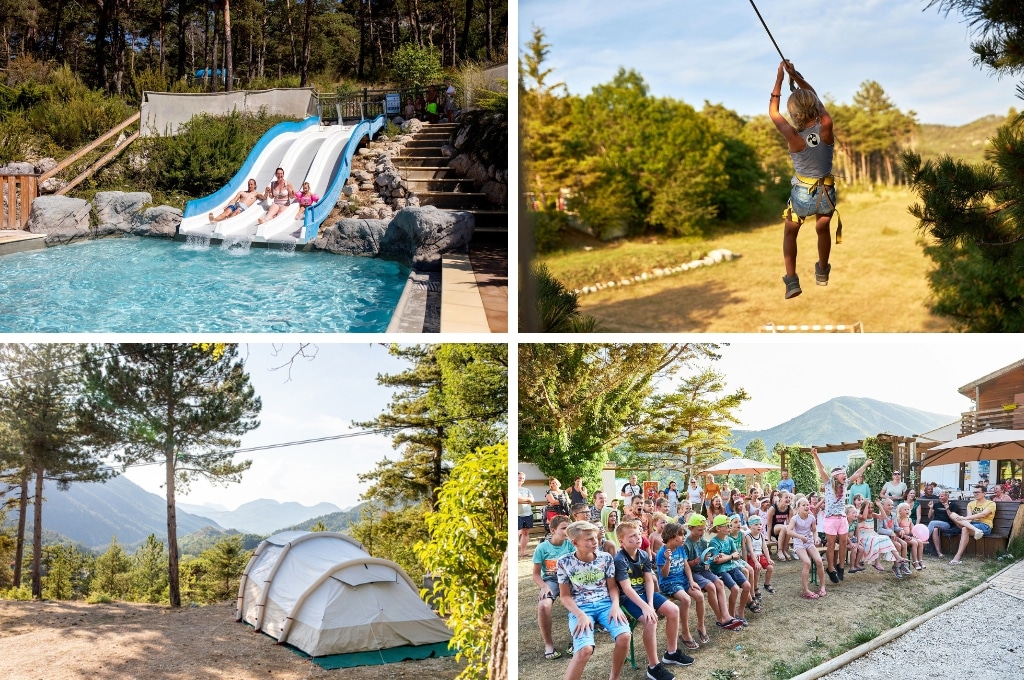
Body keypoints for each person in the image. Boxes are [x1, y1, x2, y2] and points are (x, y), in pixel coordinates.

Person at [768, 60, 838, 299]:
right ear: (815, 109)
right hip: (825, 194)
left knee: (790, 233)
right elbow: (816, 97)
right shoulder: (826, 124)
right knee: (823, 228)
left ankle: (791, 282)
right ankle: (822, 271)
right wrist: (795, 76)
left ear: (795, 114)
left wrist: (779, 77)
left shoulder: (793, 136)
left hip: (802, 195)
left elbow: (773, 112)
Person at [614, 521, 692, 679]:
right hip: (629, 598)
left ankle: (671, 653)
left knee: (674, 610)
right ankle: (653, 666)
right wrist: (645, 607)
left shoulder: (643, 554)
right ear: (621, 541)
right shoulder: (619, 560)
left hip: (645, 594)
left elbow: (649, 581)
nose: (638, 538)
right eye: (632, 536)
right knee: (650, 621)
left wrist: (650, 604)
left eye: (638, 534)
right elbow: (627, 589)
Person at [556, 521, 632, 680]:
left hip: (606, 604)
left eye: (595, 538)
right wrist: (580, 615)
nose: (595, 542)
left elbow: (612, 588)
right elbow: (564, 596)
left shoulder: (605, 558)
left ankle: (614, 678)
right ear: (575, 542)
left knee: (625, 636)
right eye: (589, 539)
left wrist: (616, 606)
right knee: (584, 650)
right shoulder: (564, 562)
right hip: (581, 608)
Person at [810, 447, 872, 583]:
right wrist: (816, 456)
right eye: (842, 474)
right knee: (831, 544)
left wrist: (866, 464)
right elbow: (821, 469)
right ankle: (831, 568)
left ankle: (841, 567)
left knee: (843, 542)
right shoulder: (828, 484)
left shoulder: (846, 484)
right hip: (830, 519)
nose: (845, 475)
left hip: (842, 518)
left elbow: (857, 473)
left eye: (845, 473)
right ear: (836, 476)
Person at [682, 514, 742, 631]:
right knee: (710, 586)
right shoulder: (686, 544)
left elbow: (706, 560)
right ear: (690, 528)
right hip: (692, 573)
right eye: (699, 530)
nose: (702, 532)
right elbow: (685, 566)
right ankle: (721, 618)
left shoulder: (703, 542)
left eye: (704, 529)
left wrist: (713, 557)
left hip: (702, 570)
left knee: (719, 583)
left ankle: (726, 615)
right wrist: (697, 560)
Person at [656, 522, 705, 649]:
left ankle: (701, 625)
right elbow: (664, 575)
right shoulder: (662, 553)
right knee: (686, 599)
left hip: (683, 580)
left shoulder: (681, 548)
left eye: (684, 535)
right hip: (669, 583)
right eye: (681, 535)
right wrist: (667, 560)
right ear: (672, 536)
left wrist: (692, 581)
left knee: (699, 596)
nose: (684, 537)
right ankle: (685, 633)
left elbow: (686, 566)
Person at [533, 515, 574, 659]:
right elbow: (536, 575)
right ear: (552, 530)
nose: (567, 531)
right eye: (563, 528)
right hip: (551, 580)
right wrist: (544, 587)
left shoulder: (571, 544)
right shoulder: (542, 548)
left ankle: (577, 640)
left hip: (570, 580)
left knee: (581, 601)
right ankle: (548, 644)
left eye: (569, 528)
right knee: (543, 605)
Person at [708, 515, 754, 622]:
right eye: (727, 525)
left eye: (730, 525)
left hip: (731, 566)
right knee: (735, 589)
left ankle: (740, 611)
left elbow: (737, 554)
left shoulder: (729, 540)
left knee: (747, 586)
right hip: (720, 570)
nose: (729, 527)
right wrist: (730, 556)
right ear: (718, 528)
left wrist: (726, 556)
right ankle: (732, 616)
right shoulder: (714, 542)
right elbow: (717, 561)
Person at [947, 484, 997, 565]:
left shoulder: (991, 504)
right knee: (952, 514)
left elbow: (983, 514)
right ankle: (976, 530)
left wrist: (964, 519)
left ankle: (957, 558)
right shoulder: (971, 504)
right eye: (974, 492)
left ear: (984, 493)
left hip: (985, 526)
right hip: (973, 525)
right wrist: (962, 522)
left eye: (978, 492)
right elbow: (970, 519)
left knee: (964, 529)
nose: (975, 494)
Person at [788, 497, 826, 599]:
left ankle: (822, 587)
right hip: (799, 543)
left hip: (809, 542)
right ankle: (805, 590)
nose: (806, 507)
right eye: (803, 505)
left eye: (807, 505)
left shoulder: (811, 518)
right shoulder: (794, 519)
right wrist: (800, 536)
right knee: (807, 563)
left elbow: (814, 531)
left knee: (819, 561)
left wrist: (816, 538)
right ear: (798, 508)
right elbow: (789, 531)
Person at [856, 498, 902, 576]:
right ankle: (877, 563)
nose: (870, 509)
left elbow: (883, 517)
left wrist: (880, 505)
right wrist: (866, 504)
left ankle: (897, 557)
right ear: (863, 508)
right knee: (875, 539)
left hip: (872, 534)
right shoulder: (860, 516)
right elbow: (864, 517)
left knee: (885, 538)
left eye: (872, 507)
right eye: (868, 508)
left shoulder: (873, 515)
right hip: (863, 536)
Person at [744, 515, 775, 595]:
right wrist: (756, 562)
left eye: (760, 524)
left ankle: (767, 584)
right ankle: (755, 587)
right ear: (750, 526)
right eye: (756, 524)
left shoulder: (761, 535)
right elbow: (750, 550)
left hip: (760, 556)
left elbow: (765, 548)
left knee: (770, 567)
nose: (759, 526)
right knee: (757, 569)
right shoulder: (748, 536)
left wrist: (768, 558)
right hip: (752, 557)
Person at [925, 489, 957, 559]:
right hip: (935, 524)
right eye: (939, 496)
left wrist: (947, 509)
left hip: (947, 524)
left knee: (932, 523)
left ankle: (924, 539)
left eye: (942, 496)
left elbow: (952, 518)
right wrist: (931, 508)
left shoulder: (952, 505)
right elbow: (929, 516)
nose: (940, 498)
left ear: (947, 496)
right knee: (935, 529)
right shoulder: (936, 505)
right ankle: (939, 553)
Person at [896, 502, 925, 570]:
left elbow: (912, 529)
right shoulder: (899, 519)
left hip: (909, 536)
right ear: (900, 511)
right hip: (902, 537)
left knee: (920, 542)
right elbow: (897, 530)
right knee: (914, 543)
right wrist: (905, 536)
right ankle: (915, 562)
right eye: (905, 509)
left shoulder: (909, 519)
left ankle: (920, 560)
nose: (907, 511)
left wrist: (915, 535)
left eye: (908, 509)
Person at [766, 492, 793, 561]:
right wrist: (769, 539)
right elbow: (769, 525)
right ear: (780, 498)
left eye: (789, 497)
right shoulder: (773, 508)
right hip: (772, 529)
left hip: (782, 529)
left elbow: (790, 524)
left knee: (787, 528)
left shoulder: (790, 509)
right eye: (786, 497)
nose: (788, 499)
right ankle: (779, 551)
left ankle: (784, 550)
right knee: (784, 527)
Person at [518, 471, 535, 558]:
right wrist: (527, 499)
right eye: (520, 477)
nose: (521, 479)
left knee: (525, 533)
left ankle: (523, 552)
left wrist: (522, 499)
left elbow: (532, 500)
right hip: (517, 515)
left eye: (523, 478)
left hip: (528, 514)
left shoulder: (527, 490)